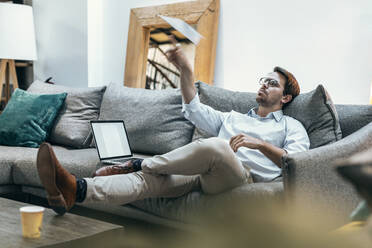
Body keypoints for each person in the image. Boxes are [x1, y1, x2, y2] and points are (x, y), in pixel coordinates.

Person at [36, 38, 310, 215]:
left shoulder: (291, 125)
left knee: (216, 146)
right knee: (150, 182)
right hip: (205, 172)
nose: (264, 84)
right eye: (263, 79)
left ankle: (137, 162)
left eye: (272, 83)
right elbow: (193, 107)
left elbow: (296, 163)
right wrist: (185, 71)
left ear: (285, 98)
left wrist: (259, 144)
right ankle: (76, 189)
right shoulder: (232, 117)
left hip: (242, 178)